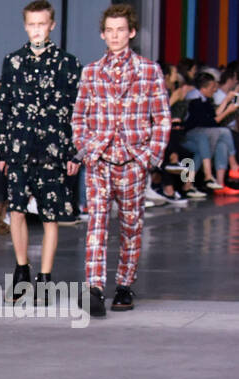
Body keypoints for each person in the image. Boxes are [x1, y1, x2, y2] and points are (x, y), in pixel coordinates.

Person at [72, 3, 171, 316]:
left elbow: (163, 118)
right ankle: (95, 288)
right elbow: (79, 116)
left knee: (131, 226)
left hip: (133, 160)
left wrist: (147, 157)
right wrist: (87, 149)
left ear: (131, 33)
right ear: (103, 34)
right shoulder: (90, 71)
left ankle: (124, 285)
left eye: (120, 30)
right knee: (97, 224)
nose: (115, 36)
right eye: (109, 31)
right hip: (99, 158)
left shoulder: (149, 70)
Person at [0, 0, 82, 300]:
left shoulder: (68, 63)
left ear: (52, 25)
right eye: (32, 24)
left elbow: (76, 110)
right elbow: (4, 108)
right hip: (19, 148)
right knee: (17, 211)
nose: (37, 30)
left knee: (50, 215)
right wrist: (3, 151)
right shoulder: (13, 61)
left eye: (42, 24)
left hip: (52, 150)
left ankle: (45, 277)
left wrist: (74, 152)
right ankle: (22, 271)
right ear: (25, 25)